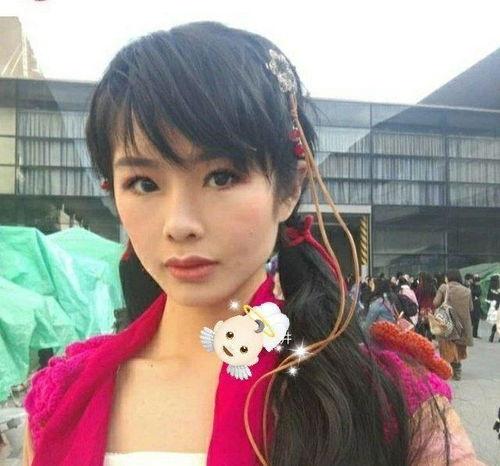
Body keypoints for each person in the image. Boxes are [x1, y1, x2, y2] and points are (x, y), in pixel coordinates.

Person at [22, 22, 483, 466]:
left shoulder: (380, 398)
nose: (179, 224)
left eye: (221, 176)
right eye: (143, 183)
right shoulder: (62, 398)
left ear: (288, 189)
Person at [433, 270, 474, 381]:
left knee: (447, 346)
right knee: (458, 346)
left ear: (448, 278)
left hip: (447, 323)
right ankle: (457, 369)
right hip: (462, 325)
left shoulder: (443, 288)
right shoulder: (467, 291)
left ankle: (449, 369)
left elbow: (435, 303)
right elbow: (471, 308)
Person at [415, 271, 437, 339]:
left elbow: (417, 298)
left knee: (423, 327)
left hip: (423, 309)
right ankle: (430, 339)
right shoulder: (433, 287)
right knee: (430, 326)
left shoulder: (420, 287)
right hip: (432, 309)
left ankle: (424, 340)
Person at [486, 274, 500, 343]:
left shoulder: (492, 287)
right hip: (498, 304)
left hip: (494, 305)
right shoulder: (498, 287)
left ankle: (492, 335)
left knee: (495, 321)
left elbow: (489, 297)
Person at [469, 274, 482, 339]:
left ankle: (475, 334)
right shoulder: (471, 286)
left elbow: (479, 292)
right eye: (477, 281)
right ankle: (468, 334)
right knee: (471, 319)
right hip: (472, 304)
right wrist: (475, 295)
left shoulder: (478, 286)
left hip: (477, 304)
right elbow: (472, 293)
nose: (478, 282)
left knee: (477, 319)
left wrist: (475, 295)